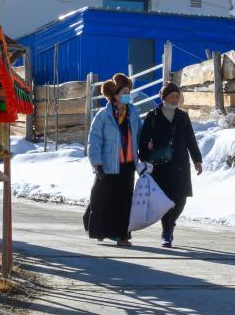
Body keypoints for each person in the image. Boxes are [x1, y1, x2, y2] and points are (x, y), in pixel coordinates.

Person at [138, 82, 202, 248]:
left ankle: (171, 223)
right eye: (171, 96)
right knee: (165, 200)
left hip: (180, 164)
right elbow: (143, 140)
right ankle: (167, 233)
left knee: (181, 199)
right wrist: (144, 155)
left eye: (177, 96)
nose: (175, 99)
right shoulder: (152, 116)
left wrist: (197, 159)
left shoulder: (183, 117)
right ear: (163, 98)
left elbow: (190, 139)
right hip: (160, 166)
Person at [84, 73, 142, 247]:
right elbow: (94, 141)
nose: (128, 94)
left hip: (128, 164)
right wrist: (97, 164)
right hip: (108, 163)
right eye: (124, 91)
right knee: (103, 197)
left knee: (124, 201)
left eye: (129, 91)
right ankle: (100, 229)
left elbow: (140, 135)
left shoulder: (134, 114)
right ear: (115, 94)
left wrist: (147, 150)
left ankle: (121, 234)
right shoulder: (103, 115)